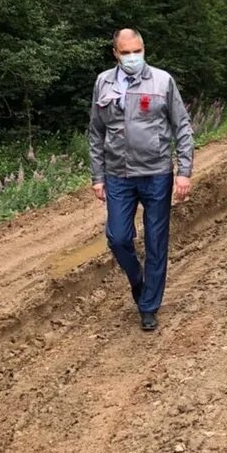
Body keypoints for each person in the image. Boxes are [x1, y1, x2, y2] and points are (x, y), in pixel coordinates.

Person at [88, 28, 193, 331]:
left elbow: (182, 126)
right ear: (115, 54)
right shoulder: (103, 82)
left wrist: (184, 171)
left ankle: (149, 306)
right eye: (126, 52)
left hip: (156, 172)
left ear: (144, 49)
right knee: (118, 238)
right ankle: (138, 282)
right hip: (118, 173)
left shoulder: (162, 82)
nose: (132, 57)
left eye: (137, 51)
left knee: (156, 240)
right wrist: (97, 176)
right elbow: (96, 131)